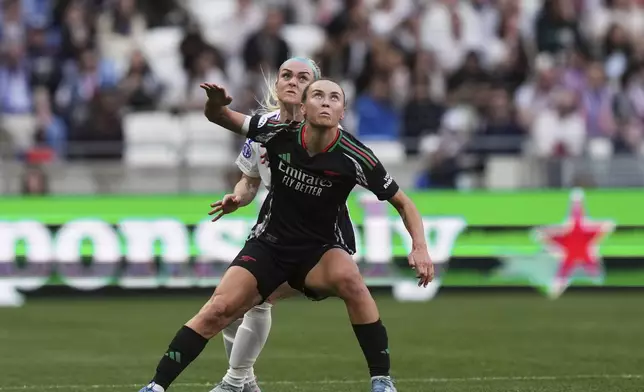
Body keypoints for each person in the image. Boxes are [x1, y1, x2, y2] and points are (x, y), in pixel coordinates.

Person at [137, 78, 434, 392]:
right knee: (219, 309)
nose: (326, 102)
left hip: (319, 251)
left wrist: (420, 247)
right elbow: (221, 118)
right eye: (318, 96)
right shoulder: (277, 135)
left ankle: (382, 381)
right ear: (303, 108)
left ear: (342, 112)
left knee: (351, 281)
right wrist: (216, 104)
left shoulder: (356, 156)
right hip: (270, 245)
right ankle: (157, 386)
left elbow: (404, 203)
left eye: (335, 98)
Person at [206, 57, 356, 392]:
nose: (292, 81)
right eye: (286, 75)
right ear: (276, 85)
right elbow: (249, 181)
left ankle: (233, 383)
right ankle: (247, 383)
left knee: (259, 297)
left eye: (303, 78)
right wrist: (237, 197)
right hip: (276, 227)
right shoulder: (260, 128)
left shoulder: (324, 130)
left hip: (319, 235)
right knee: (227, 309)